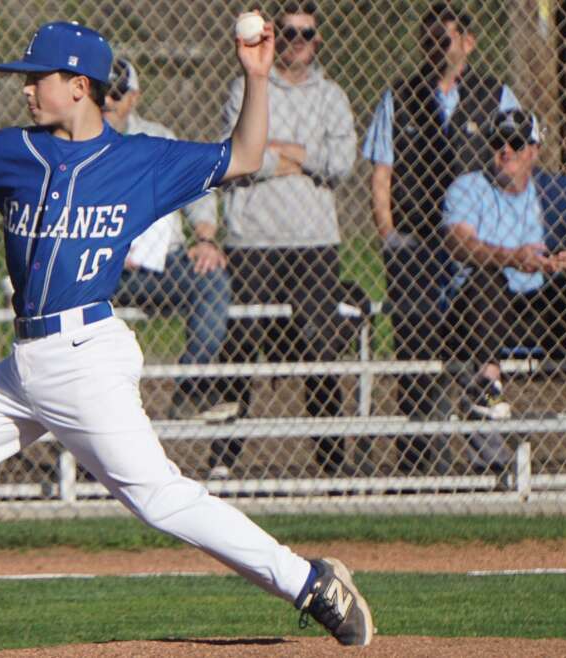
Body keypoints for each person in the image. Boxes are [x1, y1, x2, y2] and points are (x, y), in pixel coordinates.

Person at [0, 19, 373, 657]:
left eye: (38, 78)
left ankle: (311, 584)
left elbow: (246, 156)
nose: (26, 88)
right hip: (24, 366)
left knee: (159, 500)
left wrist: (256, 77)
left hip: (85, 357)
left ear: (79, 85)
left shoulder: (140, 161)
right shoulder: (10, 152)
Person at [362, 2, 520, 474]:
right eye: (428, 40)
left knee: (474, 338)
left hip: (473, 248)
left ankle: (486, 456)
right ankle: (421, 465)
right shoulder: (400, 96)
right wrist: (388, 234)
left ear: (468, 43)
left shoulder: (495, 96)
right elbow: (382, 172)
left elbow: (517, 164)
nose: (436, 48)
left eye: (445, 39)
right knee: (417, 349)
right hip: (416, 244)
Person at [213, 1, 358, 477]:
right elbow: (238, 158)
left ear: (318, 41)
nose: (298, 41)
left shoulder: (332, 96)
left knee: (320, 350)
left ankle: (333, 465)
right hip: (252, 240)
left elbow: (342, 164)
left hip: (314, 242)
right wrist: (299, 158)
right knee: (240, 346)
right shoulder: (245, 88)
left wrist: (277, 150)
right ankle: (222, 460)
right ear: (275, 37)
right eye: (289, 32)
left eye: (306, 34)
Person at [443, 110, 566, 470]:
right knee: (486, 277)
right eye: (498, 143)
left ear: (534, 150)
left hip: (547, 313)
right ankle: (486, 388)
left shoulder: (557, 188)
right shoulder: (468, 187)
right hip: (485, 315)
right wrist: (511, 257)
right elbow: (459, 243)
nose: (505, 151)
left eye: (517, 143)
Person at [101, 57, 231, 422]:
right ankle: (85, 411)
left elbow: (199, 190)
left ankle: (190, 391)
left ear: (134, 97)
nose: (107, 101)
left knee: (212, 281)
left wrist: (205, 239)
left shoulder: (158, 139)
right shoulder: (75, 143)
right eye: (101, 92)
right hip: (101, 268)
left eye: (116, 93)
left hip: (164, 263)